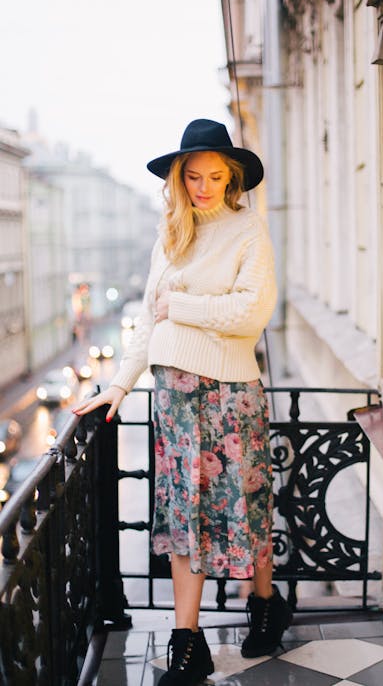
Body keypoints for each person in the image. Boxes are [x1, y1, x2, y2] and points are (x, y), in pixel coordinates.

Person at [73, 119, 293, 686]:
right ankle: (186, 644)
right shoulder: (170, 236)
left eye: (215, 176)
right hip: (173, 396)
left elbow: (251, 313)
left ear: (232, 177)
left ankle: (266, 605)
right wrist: (120, 383)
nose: (203, 187)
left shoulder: (249, 231)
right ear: (178, 179)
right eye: (192, 176)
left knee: (244, 506)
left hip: (229, 396)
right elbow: (148, 320)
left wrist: (186, 305)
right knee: (181, 517)